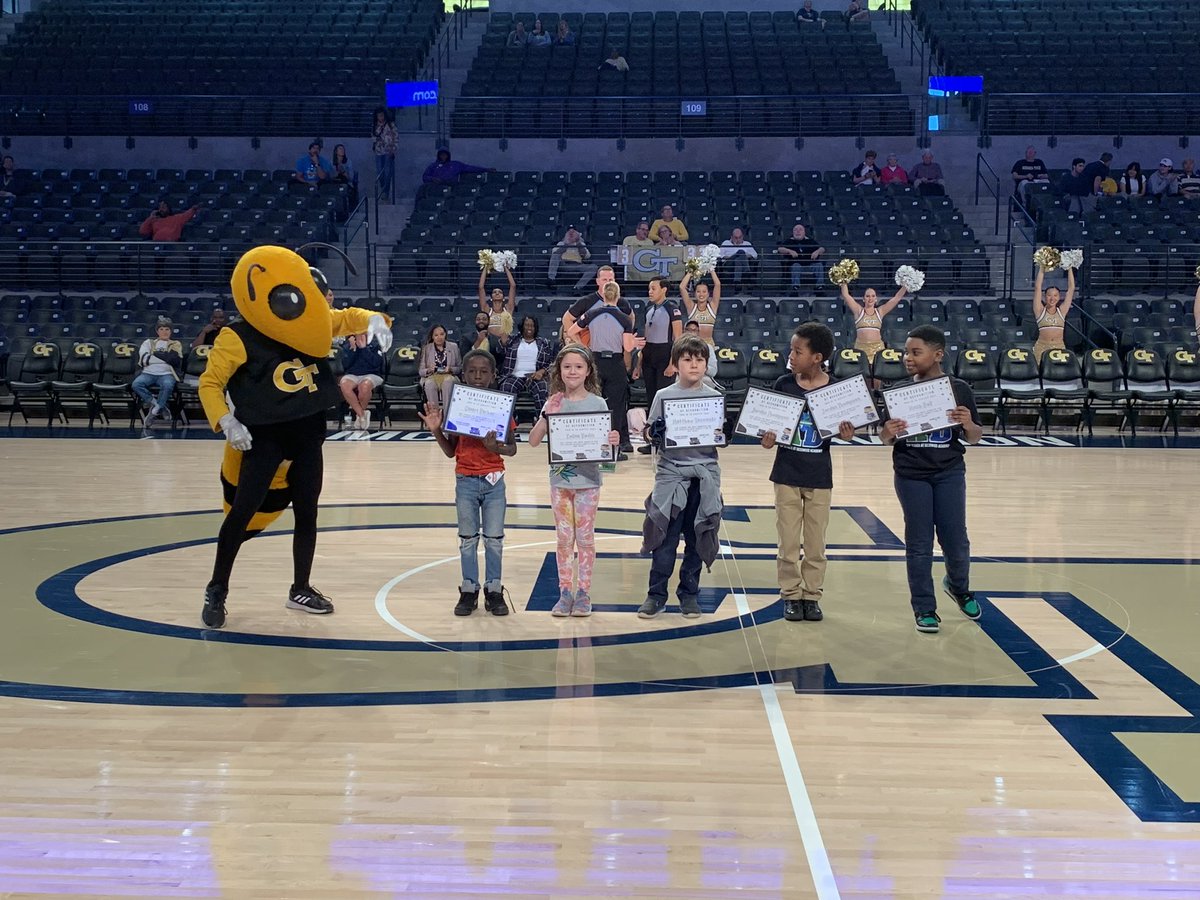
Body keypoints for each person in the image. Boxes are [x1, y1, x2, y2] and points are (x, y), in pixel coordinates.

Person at [196, 246, 393, 629]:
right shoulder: (237, 336)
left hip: (307, 435)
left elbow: (348, 316)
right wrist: (225, 421)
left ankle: (300, 587)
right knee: (241, 513)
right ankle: (217, 587)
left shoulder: (310, 322)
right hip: (264, 437)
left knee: (308, 514)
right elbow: (210, 383)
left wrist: (375, 320)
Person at [879, 325, 983, 635]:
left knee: (955, 539)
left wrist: (967, 423)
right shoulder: (898, 392)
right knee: (919, 543)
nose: (907, 357)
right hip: (911, 474)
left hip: (949, 472)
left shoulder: (959, 389)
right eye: (906, 352)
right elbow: (884, 438)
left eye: (915, 352)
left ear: (937, 355)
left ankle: (958, 586)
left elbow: (975, 437)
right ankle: (924, 608)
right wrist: (889, 431)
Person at [760, 323, 856, 622]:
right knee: (787, 543)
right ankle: (790, 594)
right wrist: (767, 439)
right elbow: (769, 430)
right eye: (792, 349)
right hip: (786, 474)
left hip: (819, 476)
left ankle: (812, 596)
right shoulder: (783, 384)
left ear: (817, 357)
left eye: (797, 351)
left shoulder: (836, 390)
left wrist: (848, 434)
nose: (791, 355)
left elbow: (847, 430)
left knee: (816, 544)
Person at [418, 350, 517, 617]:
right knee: (467, 539)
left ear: (493, 375)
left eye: (484, 371)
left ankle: (494, 590)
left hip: (495, 481)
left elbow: (512, 449)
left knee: (494, 539)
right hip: (465, 480)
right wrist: (436, 429)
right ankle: (469, 589)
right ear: (463, 374)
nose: (477, 376)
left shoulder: (501, 408)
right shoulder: (458, 408)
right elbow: (451, 451)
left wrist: (495, 446)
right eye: (472, 371)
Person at [527, 345, 621, 617]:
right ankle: (564, 592)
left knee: (585, 538)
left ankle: (584, 593)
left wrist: (613, 443)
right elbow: (534, 441)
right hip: (560, 483)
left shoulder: (598, 404)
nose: (572, 371)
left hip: (589, 481)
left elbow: (607, 456)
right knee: (564, 539)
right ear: (559, 370)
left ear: (588, 370)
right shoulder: (553, 402)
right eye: (567, 366)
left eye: (578, 366)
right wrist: (547, 415)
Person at [638, 334, 723, 620]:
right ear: (675, 365)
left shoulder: (714, 398)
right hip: (671, 476)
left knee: (697, 540)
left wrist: (726, 433)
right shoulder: (663, 396)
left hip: (704, 477)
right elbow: (649, 432)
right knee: (664, 540)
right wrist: (655, 432)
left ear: (706, 364)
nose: (694, 364)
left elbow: (720, 438)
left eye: (700, 360)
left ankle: (689, 594)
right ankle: (655, 594)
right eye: (687, 359)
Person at [573, 281, 635, 457]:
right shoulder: (625, 318)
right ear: (617, 295)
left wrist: (584, 348)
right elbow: (628, 348)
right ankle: (614, 450)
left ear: (604, 295)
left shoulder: (591, 313)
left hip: (595, 362)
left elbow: (571, 331)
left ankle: (591, 446)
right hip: (615, 363)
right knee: (615, 407)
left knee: (593, 404)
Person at [633, 276, 684, 453]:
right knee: (652, 399)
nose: (650, 291)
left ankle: (666, 440)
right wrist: (639, 364)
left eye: (653, 288)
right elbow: (644, 339)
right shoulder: (648, 309)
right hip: (649, 357)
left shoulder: (672, 309)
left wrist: (673, 364)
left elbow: (678, 338)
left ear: (664, 290)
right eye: (649, 288)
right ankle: (653, 439)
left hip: (665, 357)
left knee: (664, 401)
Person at [840, 280, 907, 363]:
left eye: (873, 296)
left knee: (877, 374)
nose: (870, 298)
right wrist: (843, 280)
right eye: (867, 296)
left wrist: (905, 285)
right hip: (861, 349)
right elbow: (846, 296)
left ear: (876, 299)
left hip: (877, 348)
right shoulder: (858, 311)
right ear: (863, 299)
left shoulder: (880, 311)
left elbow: (896, 298)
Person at [499, 315, 554, 413]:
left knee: (543, 389)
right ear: (522, 327)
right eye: (527, 325)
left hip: (534, 376)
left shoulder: (544, 343)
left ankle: (541, 421)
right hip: (514, 376)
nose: (529, 328)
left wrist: (541, 372)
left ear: (535, 327)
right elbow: (501, 352)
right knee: (506, 387)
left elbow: (550, 363)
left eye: (532, 326)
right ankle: (510, 422)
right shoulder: (513, 340)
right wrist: (502, 343)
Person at [132, 317, 182, 424]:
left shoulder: (175, 344)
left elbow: (173, 360)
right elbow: (144, 359)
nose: (164, 332)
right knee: (136, 384)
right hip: (148, 373)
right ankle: (158, 406)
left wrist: (153, 355)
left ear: (171, 331)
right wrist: (164, 358)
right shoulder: (148, 343)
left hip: (167, 374)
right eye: (162, 329)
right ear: (157, 331)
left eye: (167, 329)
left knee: (168, 385)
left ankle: (154, 412)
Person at [339, 331, 385, 430]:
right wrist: (353, 350)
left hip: (372, 374)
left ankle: (359, 416)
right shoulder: (348, 344)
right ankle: (361, 415)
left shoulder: (375, 344)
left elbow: (376, 363)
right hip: (353, 374)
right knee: (344, 385)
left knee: (364, 386)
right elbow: (345, 365)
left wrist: (364, 349)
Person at [1032, 265, 1074, 362]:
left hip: (1059, 348)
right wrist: (1042, 267)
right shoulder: (1039, 311)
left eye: (1055, 295)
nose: (1052, 298)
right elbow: (1038, 287)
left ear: (1059, 297)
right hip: (1042, 348)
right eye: (1049, 295)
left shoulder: (1062, 311)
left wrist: (1070, 267)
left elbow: (1071, 288)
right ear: (1044, 297)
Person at [419, 323, 462, 410]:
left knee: (448, 382)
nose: (439, 337)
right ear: (432, 337)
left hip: (449, 376)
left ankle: (447, 415)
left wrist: (450, 369)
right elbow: (421, 371)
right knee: (429, 384)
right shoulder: (427, 348)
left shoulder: (453, 347)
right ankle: (435, 417)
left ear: (445, 335)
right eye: (436, 335)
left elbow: (460, 367)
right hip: (432, 376)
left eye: (442, 334)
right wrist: (428, 370)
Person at [776, 223, 826, 294]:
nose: (798, 231)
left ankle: (819, 286)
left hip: (810, 264)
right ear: (793, 232)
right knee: (796, 266)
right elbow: (780, 249)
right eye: (795, 230)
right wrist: (789, 251)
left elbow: (822, 249)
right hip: (796, 264)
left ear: (804, 232)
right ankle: (795, 287)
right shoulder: (789, 241)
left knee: (819, 265)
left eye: (800, 230)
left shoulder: (810, 241)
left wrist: (817, 251)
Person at [548, 225, 599, 290]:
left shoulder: (581, 244)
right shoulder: (561, 243)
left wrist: (578, 243)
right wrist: (566, 244)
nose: (571, 234)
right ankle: (551, 279)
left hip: (578, 265)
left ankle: (577, 287)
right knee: (555, 255)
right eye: (569, 232)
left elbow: (586, 256)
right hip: (564, 264)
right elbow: (555, 254)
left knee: (593, 267)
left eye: (573, 232)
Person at [679, 268, 721, 345]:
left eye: (704, 292)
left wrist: (711, 268)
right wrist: (691, 270)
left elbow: (717, 285)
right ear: (694, 294)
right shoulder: (691, 307)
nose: (701, 294)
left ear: (708, 294)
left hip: (708, 345)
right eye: (698, 292)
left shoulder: (712, 307)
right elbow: (682, 287)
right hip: (693, 344)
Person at [478, 265, 516, 342]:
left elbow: (513, 286)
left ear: (504, 298)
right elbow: (481, 287)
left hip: (505, 343)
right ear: (491, 298)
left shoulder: (508, 309)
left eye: (500, 292)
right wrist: (486, 266)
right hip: (489, 342)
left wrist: (505, 267)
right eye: (494, 292)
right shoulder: (487, 310)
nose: (497, 293)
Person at [371, 107, 399, 202]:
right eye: (378, 115)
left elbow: (396, 138)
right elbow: (373, 137)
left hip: (388, 151)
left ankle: (386, 192)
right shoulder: (374, 125)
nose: (380, 117)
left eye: (382, 115)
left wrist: (394, 149)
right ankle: (383, 188)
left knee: (387, 172)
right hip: (379, 151)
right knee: (379, 171)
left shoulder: (391, 125)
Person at [422, 149, 493, 185]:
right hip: (436, 188)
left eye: (445, 154)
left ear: (448, 155)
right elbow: (425, 177)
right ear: (438, 155)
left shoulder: (455, 165)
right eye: (441, 154)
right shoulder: (433, 166)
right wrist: (432, 179)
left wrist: (486, 169)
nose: (443, 156)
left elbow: (471, 168)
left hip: (452, 188)